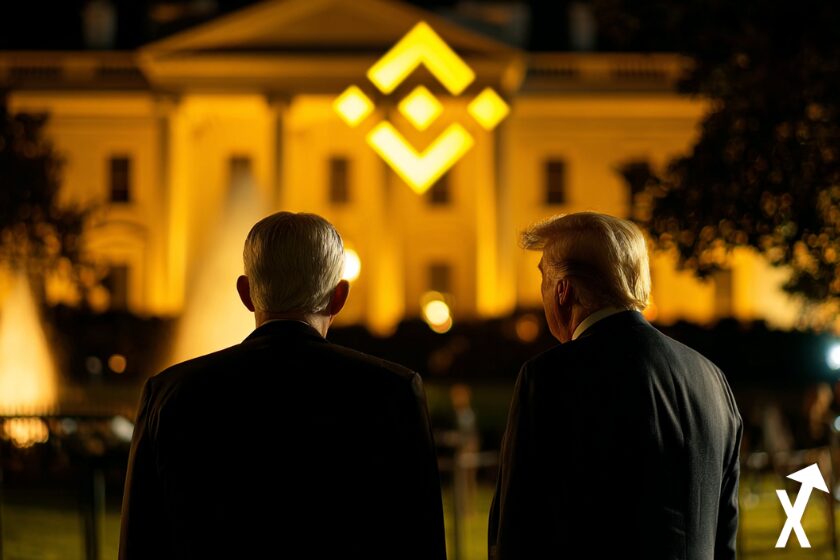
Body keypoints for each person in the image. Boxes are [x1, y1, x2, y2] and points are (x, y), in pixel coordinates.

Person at [119, 211, 447, 560]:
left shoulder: (171, 393)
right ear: (339, 297)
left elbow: (141, 542)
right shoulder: (392, 392)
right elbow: (420, 540)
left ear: (246, 293)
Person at [488, 212, 742, 559]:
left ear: (563, 290)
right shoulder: (713, 380)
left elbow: (517, 531)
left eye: (543, 279)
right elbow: (724, 538)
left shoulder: (550, 378)